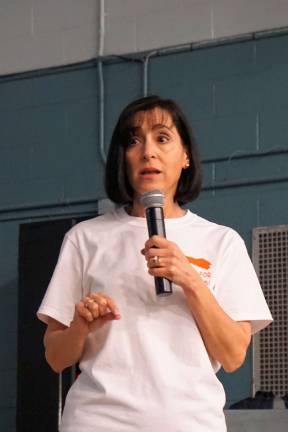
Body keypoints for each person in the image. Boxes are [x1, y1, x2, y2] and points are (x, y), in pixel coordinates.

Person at [37, 95, 272, 432]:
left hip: (191, 423)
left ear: (186, 156)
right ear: (123, 159)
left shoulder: (222, 241)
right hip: (98, 422)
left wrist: (191, 280)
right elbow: (55, 356)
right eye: (134, 140)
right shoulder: (84, 238)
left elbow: (234, 355)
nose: (147, 151)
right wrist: (80, 327)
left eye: (162, 138)